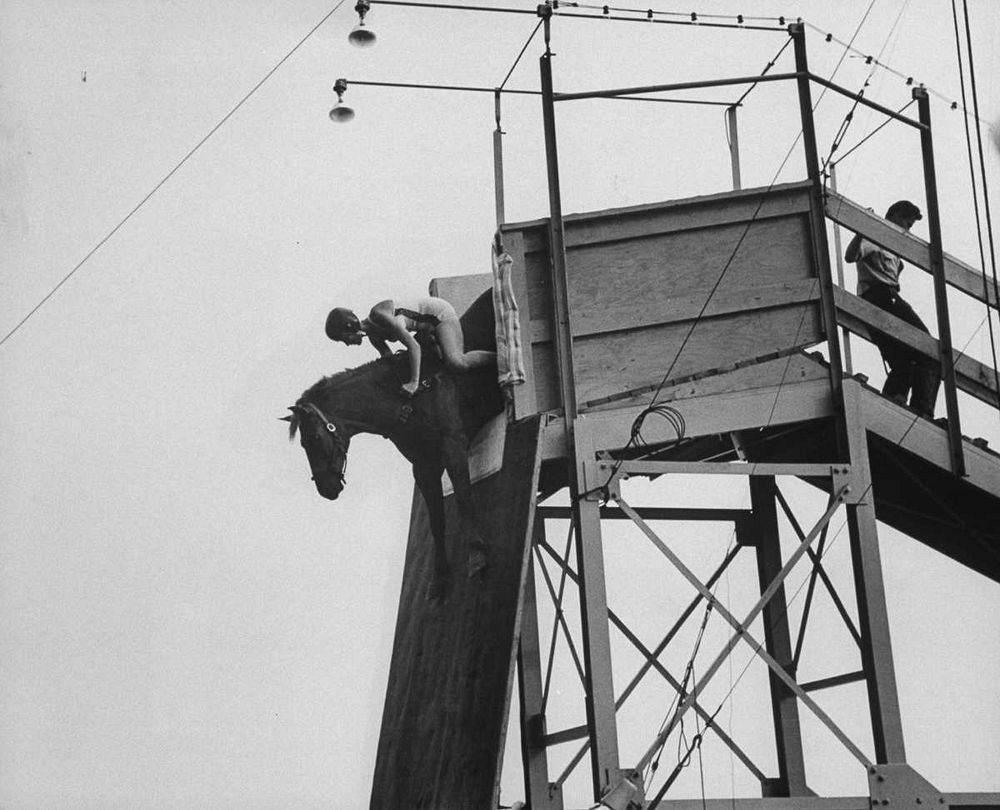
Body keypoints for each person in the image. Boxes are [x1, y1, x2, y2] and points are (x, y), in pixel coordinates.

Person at [845, 199, 940, 418]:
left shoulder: (895, 247)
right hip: (880, 297)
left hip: (884, 298)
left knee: (903, 361)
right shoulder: (877, 236)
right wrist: (861, 229)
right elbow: (851, 256)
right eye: (905, 224)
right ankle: (922, 411)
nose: (906, 230)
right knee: (929, 350)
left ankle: (892, 405)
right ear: (894, 215)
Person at [325, 297, 496, 396]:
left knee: (457, 363)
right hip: (423, 330)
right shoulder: (374, 338)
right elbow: (390, 363)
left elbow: (414, 347)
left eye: (344, 339)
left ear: (349, 327)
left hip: (438, 316)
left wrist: (413, 383)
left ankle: (501, 357)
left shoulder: (378, 315)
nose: (347, 344)